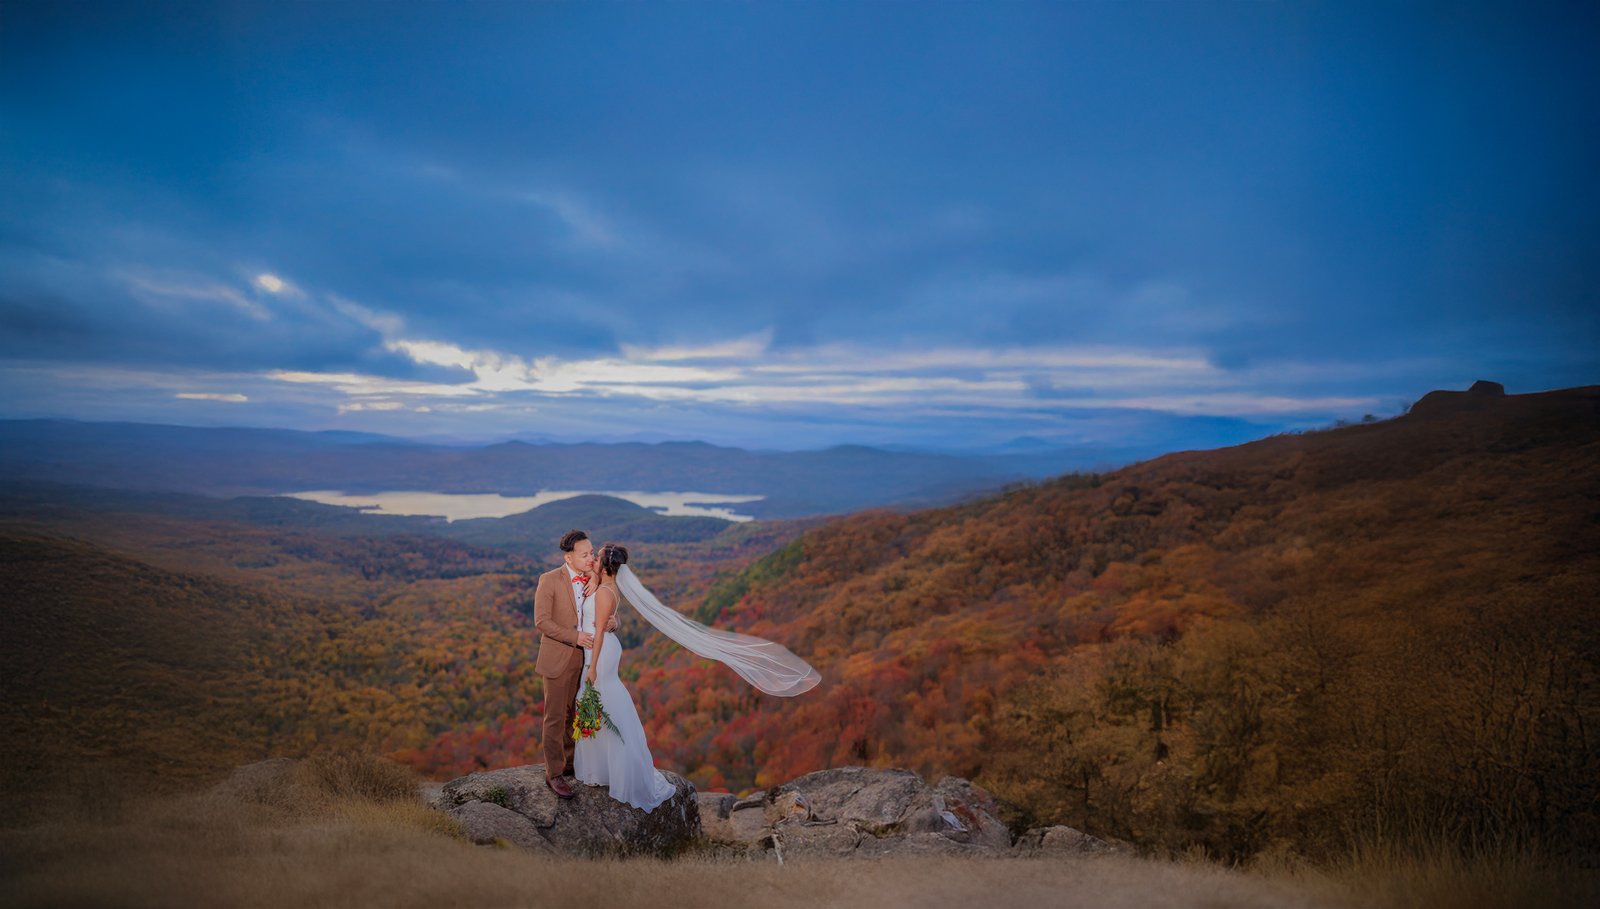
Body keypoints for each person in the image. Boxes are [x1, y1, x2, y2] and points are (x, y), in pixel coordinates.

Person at [575, 541, 822, 811]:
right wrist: (603, 597)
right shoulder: (606, 586)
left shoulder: (604, 593)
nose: (593, 561)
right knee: (604, 704)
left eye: (597, 558)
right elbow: (606, 617)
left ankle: (617, 772)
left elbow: (599, 630)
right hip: (601, 648)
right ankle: (606, 770)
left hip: (599, 653)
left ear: (607, 566)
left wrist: (594, 665)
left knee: (604, 701)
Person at [531, 529, 614, 799]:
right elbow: (541, 622)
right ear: (569, 557)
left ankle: (569, 764)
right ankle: (554, 774)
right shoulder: (549, 580)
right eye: (585, 554)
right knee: (554, 717)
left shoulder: (596, 579)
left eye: (592, 552)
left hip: (585, 660)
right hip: (557, 657)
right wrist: (574, 636)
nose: (591, 558)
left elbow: (610, 611)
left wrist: (614, 622)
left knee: (574, 714)